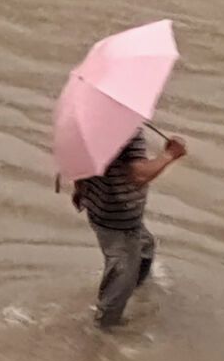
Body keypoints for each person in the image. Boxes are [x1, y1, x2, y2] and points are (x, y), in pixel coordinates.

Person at [72, 130, 187, 327]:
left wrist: (80, 188)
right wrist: (169, 155)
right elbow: (139, 175)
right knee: (120, 279)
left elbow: (80, 161)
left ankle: (136, 285)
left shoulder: (90, 128)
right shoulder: (129, 132)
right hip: (120, 219)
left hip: (100, 208)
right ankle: (103, 331)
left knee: (145, 246)